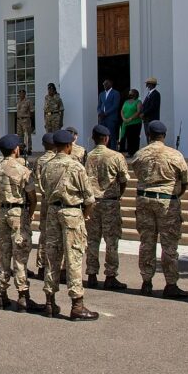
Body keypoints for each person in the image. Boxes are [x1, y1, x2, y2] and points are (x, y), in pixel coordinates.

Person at [41, 129, 98, 321]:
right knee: (73, 257)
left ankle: (49, 301)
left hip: (52, 211)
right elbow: (89, 198)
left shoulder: (46, 166)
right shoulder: (75, 167)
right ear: (68, 146)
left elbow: (43, 189)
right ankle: (77, 305)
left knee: (52, 256)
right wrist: (85, 215)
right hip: (72, 212)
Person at [130, 120, 188, 298]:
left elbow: (137, 172)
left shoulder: (140, 154)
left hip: (144, 199)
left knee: (146, 242)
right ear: (163, 135)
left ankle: (146, 282)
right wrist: (176, 194)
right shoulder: (174, 154)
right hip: (166, 202)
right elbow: (185, 180)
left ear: (148, 135)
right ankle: (171, 284)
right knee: (169, 244)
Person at [0, 134, 42, 311]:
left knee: (4, 254)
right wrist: (29, 214)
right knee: (20, 255)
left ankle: (2, 294)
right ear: (16, 149)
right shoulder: (22, 170)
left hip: (3, 211)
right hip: (18, 212)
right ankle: (23, 295)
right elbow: (32, 197)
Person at [85, 125, 129, 290]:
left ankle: (91, 274)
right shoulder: (115, 156)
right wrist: (119, 194)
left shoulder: (87, 157)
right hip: (110, 201)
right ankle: (110, 275)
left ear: (93, 138)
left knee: (92, 240)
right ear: (106, 138)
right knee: (111, 240)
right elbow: (124, 180)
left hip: (92, 202)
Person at [33, 132, 56, 278]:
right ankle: (56, 267)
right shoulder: (56, 159)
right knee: (57, 235)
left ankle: (41, 266)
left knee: (44, 233)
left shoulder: (39, 160)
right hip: (56, 201)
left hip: (45, 199)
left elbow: (37, 179)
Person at [97, 79, 121, 150]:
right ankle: (104, 149)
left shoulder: (115, 93)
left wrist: (106, 113)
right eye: (104, 84)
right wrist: (99, 112)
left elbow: (115, 105)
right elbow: (99, 105)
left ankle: (113, 149)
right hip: (102, 118)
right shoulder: (101, 94)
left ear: (111, 84)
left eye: (106, 84)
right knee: (102, 134)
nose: (104, 85)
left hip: (111, 117)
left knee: (112, 135)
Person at [119, 90, 143, 156]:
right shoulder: (126, 102)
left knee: (134, 138)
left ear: (135, 94)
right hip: (125, 123)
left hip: (135, 123)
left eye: (131, 93)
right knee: (127, 138)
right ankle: (129, 152)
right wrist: (123, 118)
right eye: (129, 93)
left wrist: (131, 118)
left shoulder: (138, 102)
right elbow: (122, 111)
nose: (130, 94)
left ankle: (134, 153)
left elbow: (138, 111)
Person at [140, 78, 161, 142]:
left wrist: (144, 113)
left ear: (151, 84)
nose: (146, 85)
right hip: (147, 119)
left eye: (148, 83)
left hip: (152, 119)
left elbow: (153, 107)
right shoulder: (149, 93)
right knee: (148, 135)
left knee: (152, 136)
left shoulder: (156, 94)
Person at [16, 90, 34, 155]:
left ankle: (28, 149)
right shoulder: (18, 101)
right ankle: (21, 149)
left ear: (25, 94)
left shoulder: (28, 101)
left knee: (27, 135)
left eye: (22, 93)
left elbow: (32, 111)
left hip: (26, 120)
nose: (21, 94)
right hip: (19, 120)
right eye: (19, 93)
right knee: (19, 135)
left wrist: (31, 121)